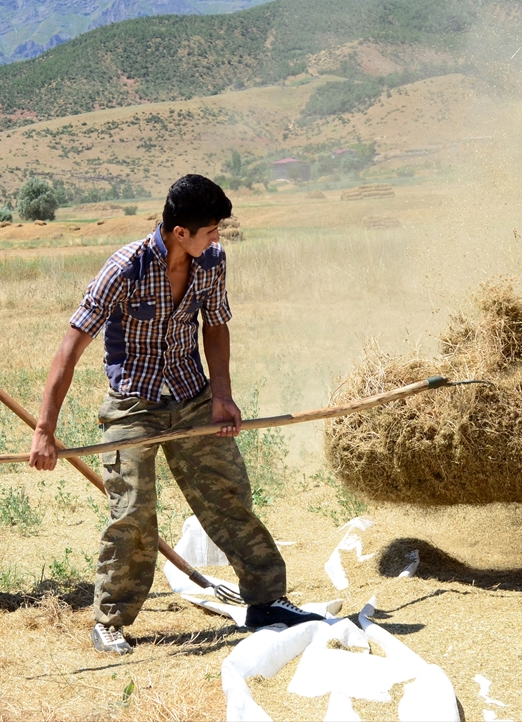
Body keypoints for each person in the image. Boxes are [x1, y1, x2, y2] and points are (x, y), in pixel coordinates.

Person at [28, 174, 323, 655]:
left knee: (228, 497)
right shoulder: (123, 269)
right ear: (180, 232)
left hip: (192, 397)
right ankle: (110, 621)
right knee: (133, 513)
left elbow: (216, 325)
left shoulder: (212, 261)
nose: (218, 237)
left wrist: (222, 395)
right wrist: (45, 430)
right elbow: (70, 349)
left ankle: (267, 601)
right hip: (133, 404)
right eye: (211, 229)